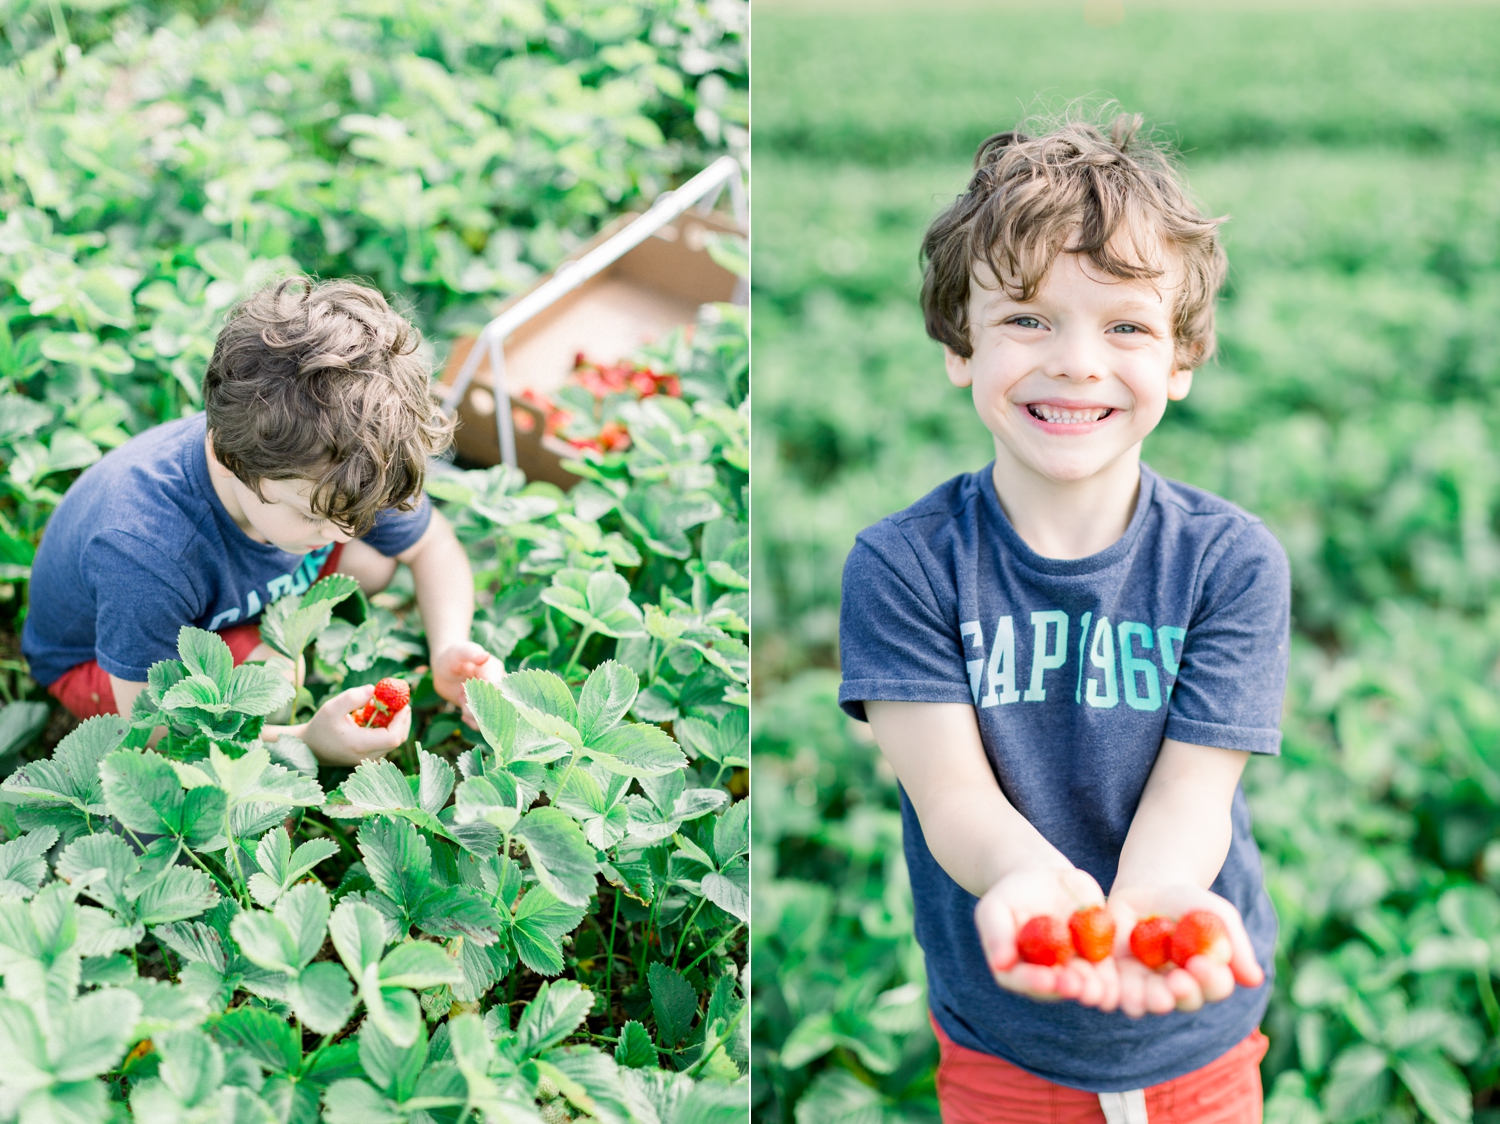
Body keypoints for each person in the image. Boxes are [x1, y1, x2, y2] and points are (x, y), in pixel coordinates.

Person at [838, 114, 1289, 1122]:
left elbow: (1192, 793)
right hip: (1006, 1036)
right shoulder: (905, 564)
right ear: (962, 344)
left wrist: (1145, 914)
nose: (1078, 361)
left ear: (1182, 358)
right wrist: (1038, 885)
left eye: (1126, 325)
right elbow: (952, 793)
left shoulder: (1230, 562)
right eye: (1028, 319)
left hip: (1199, 1030)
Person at [23, 278, 497, 765]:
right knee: (275, 680)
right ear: (233, 459)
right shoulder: (144, 548)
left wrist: (449, 647)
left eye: (357, 515)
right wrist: (305, 743)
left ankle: (266, 629)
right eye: (316, 516)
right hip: (102, 668)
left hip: (215, 593)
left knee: (372, 562)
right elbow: (153, 728)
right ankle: (263, 658)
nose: (345, 530)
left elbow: (432, 546)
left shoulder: (333, 463)